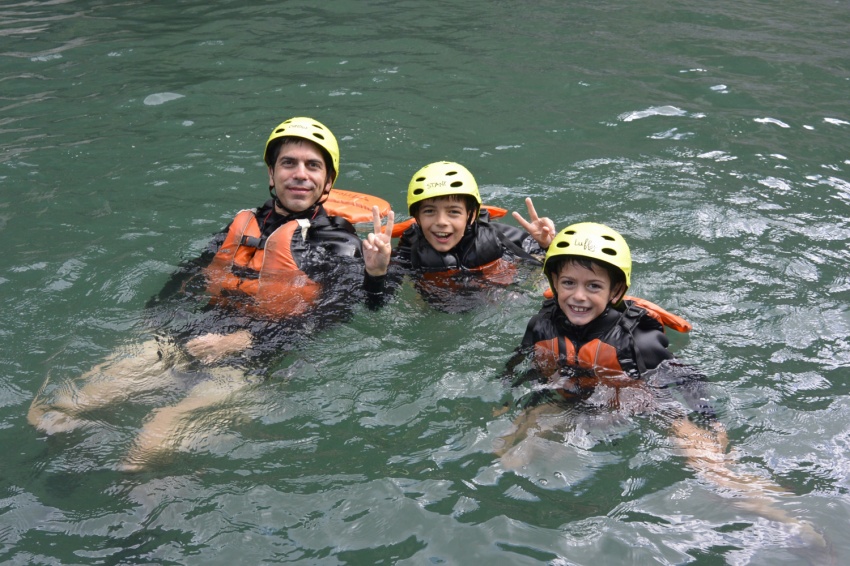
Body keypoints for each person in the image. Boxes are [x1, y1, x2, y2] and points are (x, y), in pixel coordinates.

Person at [27, 116, 394, 471]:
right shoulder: (246, 223)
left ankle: (143, 511)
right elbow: (186, 278)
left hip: (261, 358)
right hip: (196, 332)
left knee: (153, 440)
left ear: (328, 180)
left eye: (313, 166)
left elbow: (336, 313)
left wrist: (375, 274)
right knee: (66, 404)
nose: (300, 173)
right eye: (289, 163)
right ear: (272, 173)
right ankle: (65, 462)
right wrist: (157, 322)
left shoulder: (338, 242)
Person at [497, 222, 827, 548]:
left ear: (615, 292)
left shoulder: (635, 338)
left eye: (593, 287)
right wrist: (509, 398)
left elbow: (686, 377)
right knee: (509, 454)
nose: (578, 296)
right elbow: (523, 362)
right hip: (575, 400)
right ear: (553, 281)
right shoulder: (542, 323)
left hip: (645, 403)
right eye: (568, 282)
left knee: (713, 470)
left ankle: (793, 520)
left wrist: (710, 419)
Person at [392, 161, 556, 311]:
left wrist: (545, 245)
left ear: (471, 214)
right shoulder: (409, 248)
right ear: (417, 217)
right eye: (429, 211)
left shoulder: (498, 237)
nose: (441, 221)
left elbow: (553, 263)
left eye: (453, 212)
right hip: (436, 307)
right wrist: (375, 272)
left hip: (497, 299)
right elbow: (376, 302)